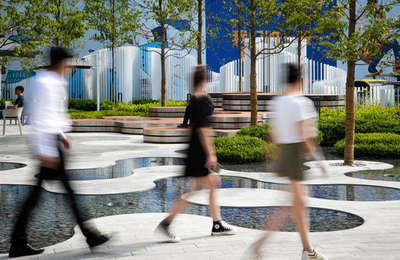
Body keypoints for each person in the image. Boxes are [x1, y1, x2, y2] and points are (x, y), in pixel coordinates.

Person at [8, 47, 109, 258]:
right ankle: (90, 236)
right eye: (69, 61)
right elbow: (39, 117)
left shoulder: (54, 81)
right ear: (60, 62)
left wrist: (62, 135)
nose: (71, 65)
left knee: (39, 196)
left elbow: (53, 114)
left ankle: (18, 242)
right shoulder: (45, 82)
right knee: (50, 195)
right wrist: (47, 151)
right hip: (48, 146)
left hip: (53, 143)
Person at [248, 64, 328, 260]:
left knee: (296, 204)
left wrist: (273, 156)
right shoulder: (301, 103)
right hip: (293, 154)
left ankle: (307, 251)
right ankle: (260, 246)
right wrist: (319, 160)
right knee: (291, 206)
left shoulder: (279, 101)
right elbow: (305, 137)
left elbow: (273, 133)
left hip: (284, 152)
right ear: (300, 80)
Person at [156, 65, 234, 242]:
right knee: (196, 189)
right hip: (200, 150)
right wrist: (211, 154)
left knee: (207, 186)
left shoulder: (194, 99)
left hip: (194, 148)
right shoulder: (204, 100)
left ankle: (216, 224)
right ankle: (167, 223)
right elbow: (204, 129)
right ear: (205, 79)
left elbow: (193, 125)